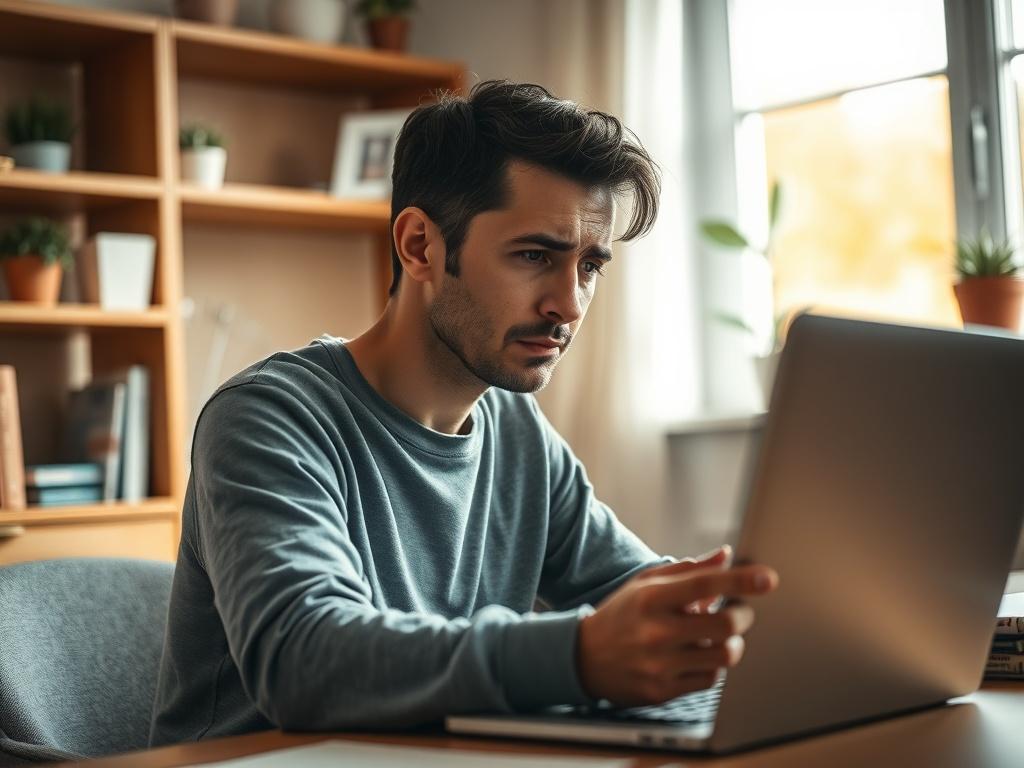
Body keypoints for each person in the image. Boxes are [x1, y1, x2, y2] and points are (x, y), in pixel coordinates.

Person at [149, 79, 778, 746]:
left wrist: (728, 611)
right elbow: (302, 659)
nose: (568, 304)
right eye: (535, 255)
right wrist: (578, 656)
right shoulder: (268, 419)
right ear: (421, 246)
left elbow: (629, 584)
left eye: (590, 266)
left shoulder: (515, 431)